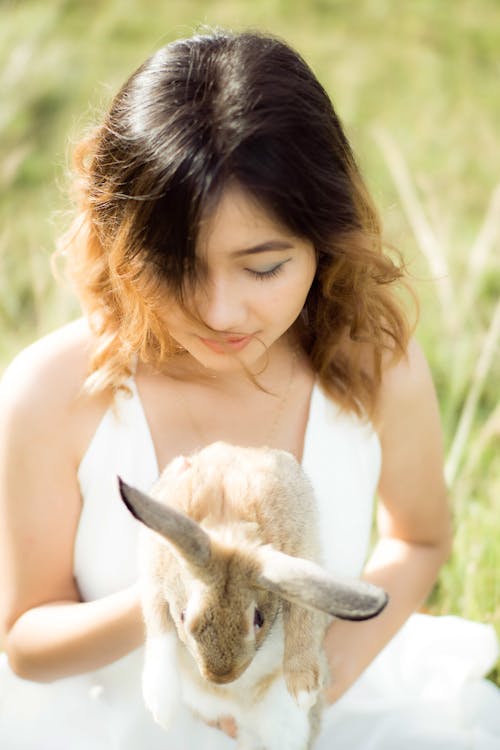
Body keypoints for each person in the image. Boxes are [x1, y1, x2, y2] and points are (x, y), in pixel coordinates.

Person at [0, 28, 498, 750]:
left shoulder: (374, 367)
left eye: (262, 268)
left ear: (325, 241)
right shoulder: (54, 394)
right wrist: (178, 595)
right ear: (118, 242)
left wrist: (319, 681)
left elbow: (420, 538)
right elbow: (24, 638)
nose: (219, 312)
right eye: (174, 268)